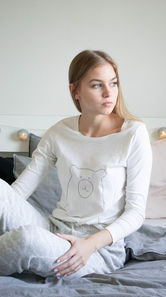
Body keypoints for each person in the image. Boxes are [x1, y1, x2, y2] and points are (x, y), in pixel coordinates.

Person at [0, 50, 152, 280]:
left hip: (98, 250)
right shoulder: (60, 132)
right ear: (75, 91)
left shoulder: (133, 134)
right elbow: (18, 192)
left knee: (26, 239)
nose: (109, 92)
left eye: (113, 83)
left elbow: (136, 213)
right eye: (96, 85)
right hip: (53, 229)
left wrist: (89, 245)